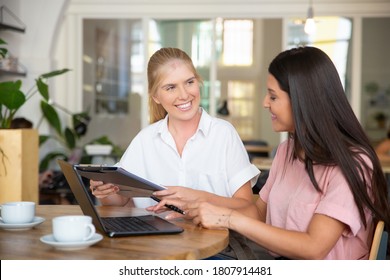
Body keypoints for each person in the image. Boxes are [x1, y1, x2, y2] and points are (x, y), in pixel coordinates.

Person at [157, 46, 390, 259]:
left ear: (303, 101)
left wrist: (226, 218)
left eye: (273, 96)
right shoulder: (287, 151)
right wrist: (198, 200)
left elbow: (314, 248)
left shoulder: (355, 164)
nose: (265, 103)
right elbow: (258, 214)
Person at [90, 47, 260, 259]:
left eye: (189, 82)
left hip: (216, 251)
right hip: (155, 250)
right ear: (156, 97)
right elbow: (121, 202)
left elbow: (249, 210)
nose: (184, 94)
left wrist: (197, 199)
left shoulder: (223, 134)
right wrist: (106, 190)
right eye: (170, 87)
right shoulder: (145, 139)